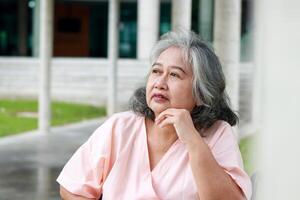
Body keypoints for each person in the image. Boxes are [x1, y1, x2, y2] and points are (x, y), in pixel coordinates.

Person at [57, 30, 252, 200]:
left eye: (174, 75)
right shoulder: (120, 127)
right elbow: (72, 188)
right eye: (156, 71)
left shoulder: (217, 134)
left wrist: (193, 140)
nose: (160, 82)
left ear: (201, 91)